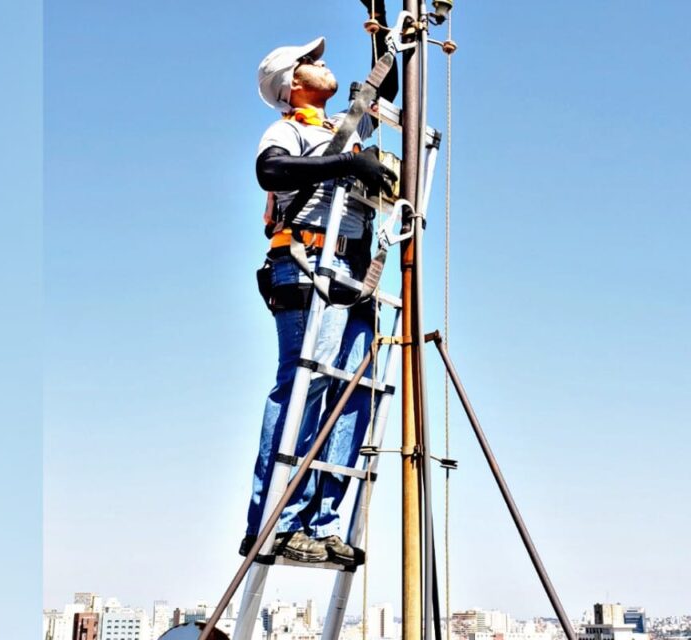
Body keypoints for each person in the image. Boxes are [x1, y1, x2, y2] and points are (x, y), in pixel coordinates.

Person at [243, 2, 400, 566]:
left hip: (351, 275)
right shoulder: (286, 129)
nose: (321, 62)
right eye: (310, 60)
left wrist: (385, 23)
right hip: (307, 266)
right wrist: (345, 167)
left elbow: (391, 86)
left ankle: (324, 521)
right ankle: (276, 521)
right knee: (305, 385)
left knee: (353, 392)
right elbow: (271, 171)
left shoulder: (342, 129)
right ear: (292, 83)